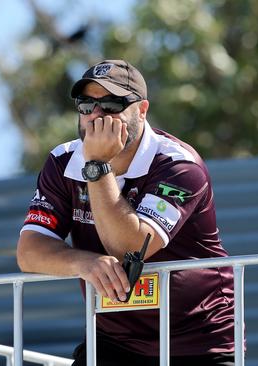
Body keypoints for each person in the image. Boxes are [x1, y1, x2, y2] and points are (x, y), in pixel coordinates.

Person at [16, 59, 235, 365]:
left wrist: (96, 166)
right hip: (114, 341)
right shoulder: (63, 162)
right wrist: (85, 263)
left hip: (196, 340)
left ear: (141, 110)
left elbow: (129, 247)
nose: (97, 116)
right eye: (87, 105)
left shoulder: (178, 165)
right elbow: (30, 252)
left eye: (111, 104)